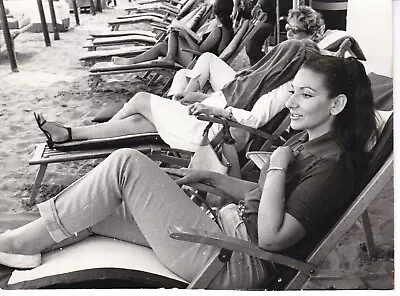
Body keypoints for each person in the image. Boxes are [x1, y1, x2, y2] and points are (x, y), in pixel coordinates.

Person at [0, 56, 378, 290]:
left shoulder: (333, 167)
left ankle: (17, 245)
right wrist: (215, 180)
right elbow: (275, 201)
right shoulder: (312, 144)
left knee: (125, 165)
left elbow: (272, 236)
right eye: (293, 91)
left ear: (338, 104)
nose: (292, 102)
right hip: (222, 233)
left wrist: (277, 165)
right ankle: (28, 247)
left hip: (234, 261)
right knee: (102, 209)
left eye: (306, 96)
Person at [35, 39, 320, 153]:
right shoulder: (264, 78)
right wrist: (201, 100)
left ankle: (79, 136)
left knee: (141, 102)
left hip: (213, 130)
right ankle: (70, 134)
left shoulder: (284, 88)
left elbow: (255, 120)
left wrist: (213, 110)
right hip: (208, 116)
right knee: (141, 121)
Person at [169, 6, 329, 100]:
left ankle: (180, 104)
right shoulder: (292, 49)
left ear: (312, 34)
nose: (289, 33)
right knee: (193, 67)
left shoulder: (301, 55)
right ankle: (181, 100)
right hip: (247, 82)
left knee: (195, 67)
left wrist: (204, 99)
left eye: (295, 30)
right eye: (287, 27)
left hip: (246, 92)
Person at [111, 0, 234, 67]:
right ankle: (131, 61)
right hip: (200, 59)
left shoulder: (219, 30)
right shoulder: (228, 28)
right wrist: (187, 34)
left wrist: (185, 35)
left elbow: (200, 50)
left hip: (198, 63)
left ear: (215, 10)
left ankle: (169, 58)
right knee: (161, 46)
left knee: (174, 33)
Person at [232, 0, 278, 66]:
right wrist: (236, 7)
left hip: (265, 19)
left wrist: (259, 5)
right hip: (250, 20)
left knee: (251, 48)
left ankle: (267, 66)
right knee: (251, 49)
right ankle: (257, 68)